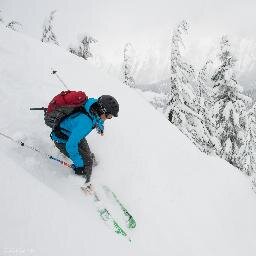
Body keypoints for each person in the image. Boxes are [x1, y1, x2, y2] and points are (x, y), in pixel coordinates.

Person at [50, 95, 119, 182]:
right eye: (109, 116)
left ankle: (86, 164)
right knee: (86, 165)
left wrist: (100, 126)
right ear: (103, 110)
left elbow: (97, 118)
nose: (109, 118)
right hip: (62, 139)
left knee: (89, 157)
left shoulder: (93, 105)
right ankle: (83, 182)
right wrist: (79, 165)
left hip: (73, 134)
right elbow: (71, 145)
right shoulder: (85, 122)